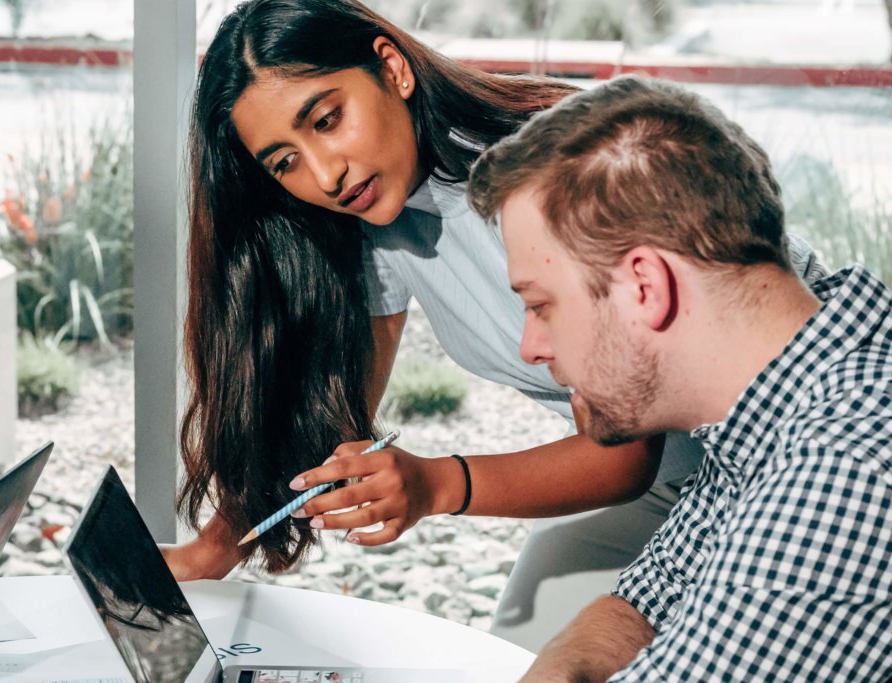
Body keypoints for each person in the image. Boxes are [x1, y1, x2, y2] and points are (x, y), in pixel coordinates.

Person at [163, 0, 825, 637]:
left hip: (798, 443)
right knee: (520, 649)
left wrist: (434, 482)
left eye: (327, 120)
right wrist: (211, 549)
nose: (326, 174)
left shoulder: (550, 172)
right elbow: (330, 420)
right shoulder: (378, 220)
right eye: (285, 162)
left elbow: (622, 457)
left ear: (391, 67)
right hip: (682, 478)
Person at [467, 75, 892, 680]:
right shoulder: (776, 397)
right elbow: (647, 597)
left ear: (646, 287)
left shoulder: (841, 468)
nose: (530, 347)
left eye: (540, 306)